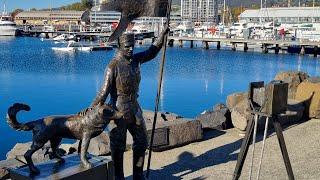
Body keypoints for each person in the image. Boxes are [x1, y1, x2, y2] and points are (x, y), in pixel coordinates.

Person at [89, 26, 169, 180]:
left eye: (133, 46)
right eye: (127, 47)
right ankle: (119, 177)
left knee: (142, 141)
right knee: (118, 147)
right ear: (119, 46)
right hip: (118, 110)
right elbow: (103, 93)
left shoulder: (136, 60)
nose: (131, 49)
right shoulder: (112, 67)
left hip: (134, 107)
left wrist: (162, 36)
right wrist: (90, 109)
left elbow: (152, 51)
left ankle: (138, 175)